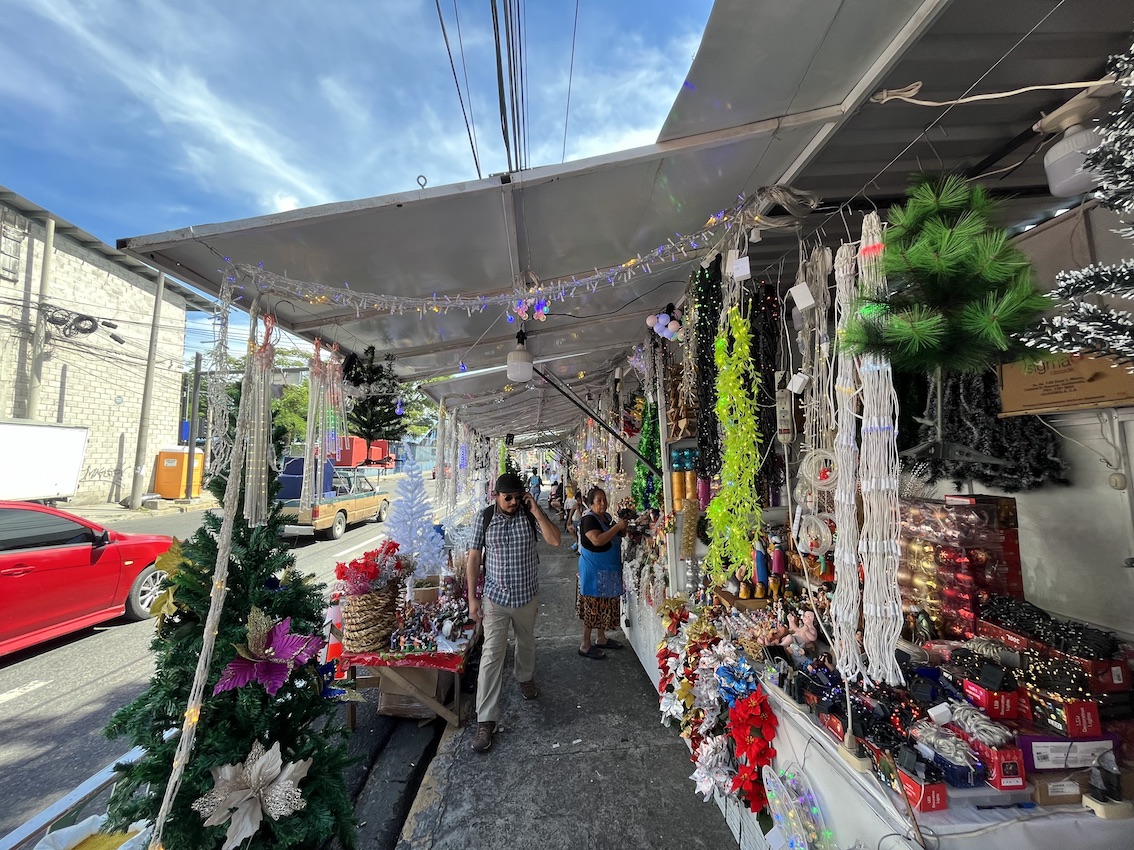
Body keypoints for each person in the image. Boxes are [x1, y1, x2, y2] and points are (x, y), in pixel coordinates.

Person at [466, 472, 562, 753]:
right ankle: (485, 720)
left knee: (526, 641)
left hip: (526, 596)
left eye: (517, 497)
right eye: (507, 497)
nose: (512, 502)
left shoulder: (529, 515)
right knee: (491, 655)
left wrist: (537, 511)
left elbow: (556, 541)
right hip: (495, 599)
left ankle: (525, 677)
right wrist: (472, 598)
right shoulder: (485, 518)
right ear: (496, 495)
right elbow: (474, 557)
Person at [575, 486, 629, 659]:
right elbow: (597, 540)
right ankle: (585, 644)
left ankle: (601, 638)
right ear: (591, 504)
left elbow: (616, 535)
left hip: (607, 569)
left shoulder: (605, 517)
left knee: (604, 605)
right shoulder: (588, 520)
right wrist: (617, 527)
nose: (603, 503)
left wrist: (623, 525)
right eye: (599, 501)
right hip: (594, 570)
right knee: (593, 607)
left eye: (604, 500)